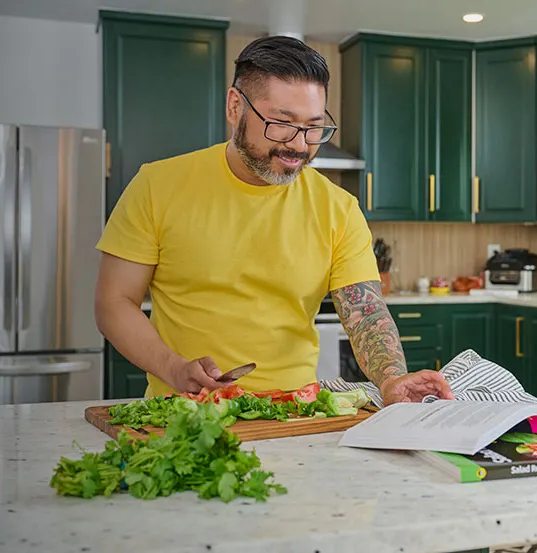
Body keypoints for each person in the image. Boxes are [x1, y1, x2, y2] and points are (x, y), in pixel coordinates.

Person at [93, 36, 454, 406]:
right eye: (281, 123)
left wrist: (392, 379)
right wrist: (173, 368)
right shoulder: (158, 185)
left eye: (314, 127)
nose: (299, 145)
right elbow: (114, 302)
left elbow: (366, 314)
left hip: (294, 415)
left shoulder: (339, 208)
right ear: (235, 107)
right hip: (182, 412)